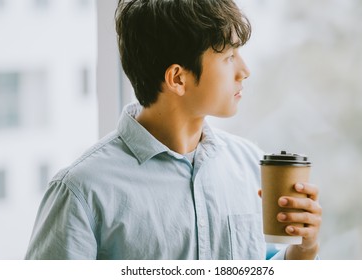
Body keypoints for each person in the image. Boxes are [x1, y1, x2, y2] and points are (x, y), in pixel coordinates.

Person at [25, 0, 322, 260]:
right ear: (178, 78)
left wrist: (302, 251)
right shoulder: (82, 192)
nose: (244, 70)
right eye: (228, 56)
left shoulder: (250, 165)